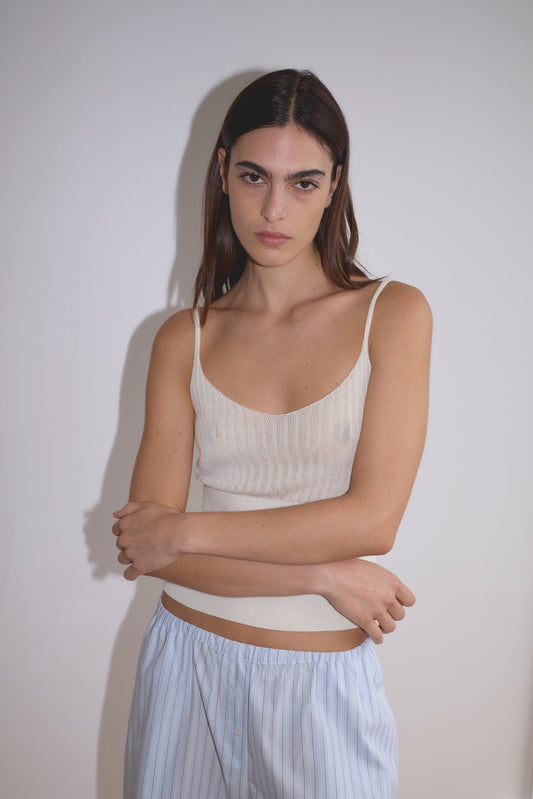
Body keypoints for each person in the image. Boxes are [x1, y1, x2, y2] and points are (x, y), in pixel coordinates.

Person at [113, 69, 432, 799]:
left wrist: (185, 530)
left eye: (303, 182)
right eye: (254, 176)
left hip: (319, 687)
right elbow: (147, 547)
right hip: (183, 668)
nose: (274, 208)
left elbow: (371, 521)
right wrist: (319, 574)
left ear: (334, 184)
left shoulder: (392, 315)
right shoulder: (185, 337)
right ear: (223, 171)